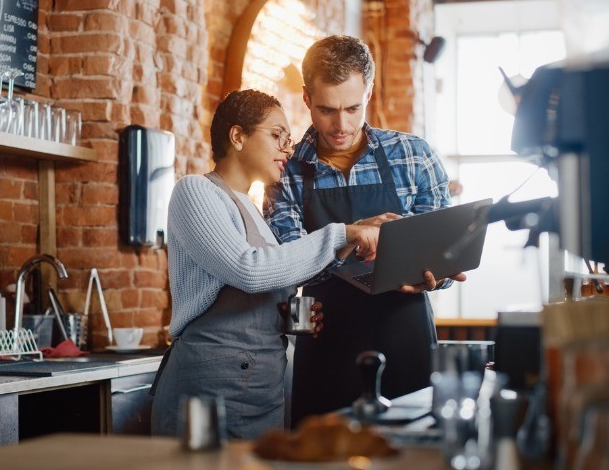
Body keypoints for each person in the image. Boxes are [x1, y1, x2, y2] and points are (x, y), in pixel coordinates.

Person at [150, 89, 380, 439]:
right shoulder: (194, 191)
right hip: (210, 391)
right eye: (277, 136)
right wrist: (340, 234)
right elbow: (249, 270)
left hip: (261, 391)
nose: (287, 148)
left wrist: (287, 317)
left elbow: (254, 288)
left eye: (288, 140)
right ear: (238, 136)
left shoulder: (252, 210)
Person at [265, 35, 466, 426]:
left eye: (353, 108)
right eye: (326, 110)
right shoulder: (284, 170)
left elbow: (443, 253)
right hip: (327, 344)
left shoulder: (414, 155)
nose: (341, 125)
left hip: (406, 334)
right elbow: (286, 263)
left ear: (369, 92)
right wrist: (351, 235)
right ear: (306, 99)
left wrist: (436, 276)